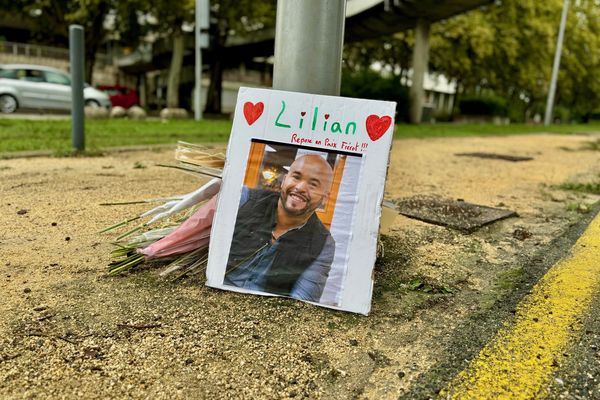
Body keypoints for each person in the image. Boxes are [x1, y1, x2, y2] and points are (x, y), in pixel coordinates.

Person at [223, 154, 336, 302]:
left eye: (313, 184)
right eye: (296, 177)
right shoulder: (244, 199)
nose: (300, 187)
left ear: (325, 198)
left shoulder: (323, 244)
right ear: (284, 180)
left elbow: (301, 303)